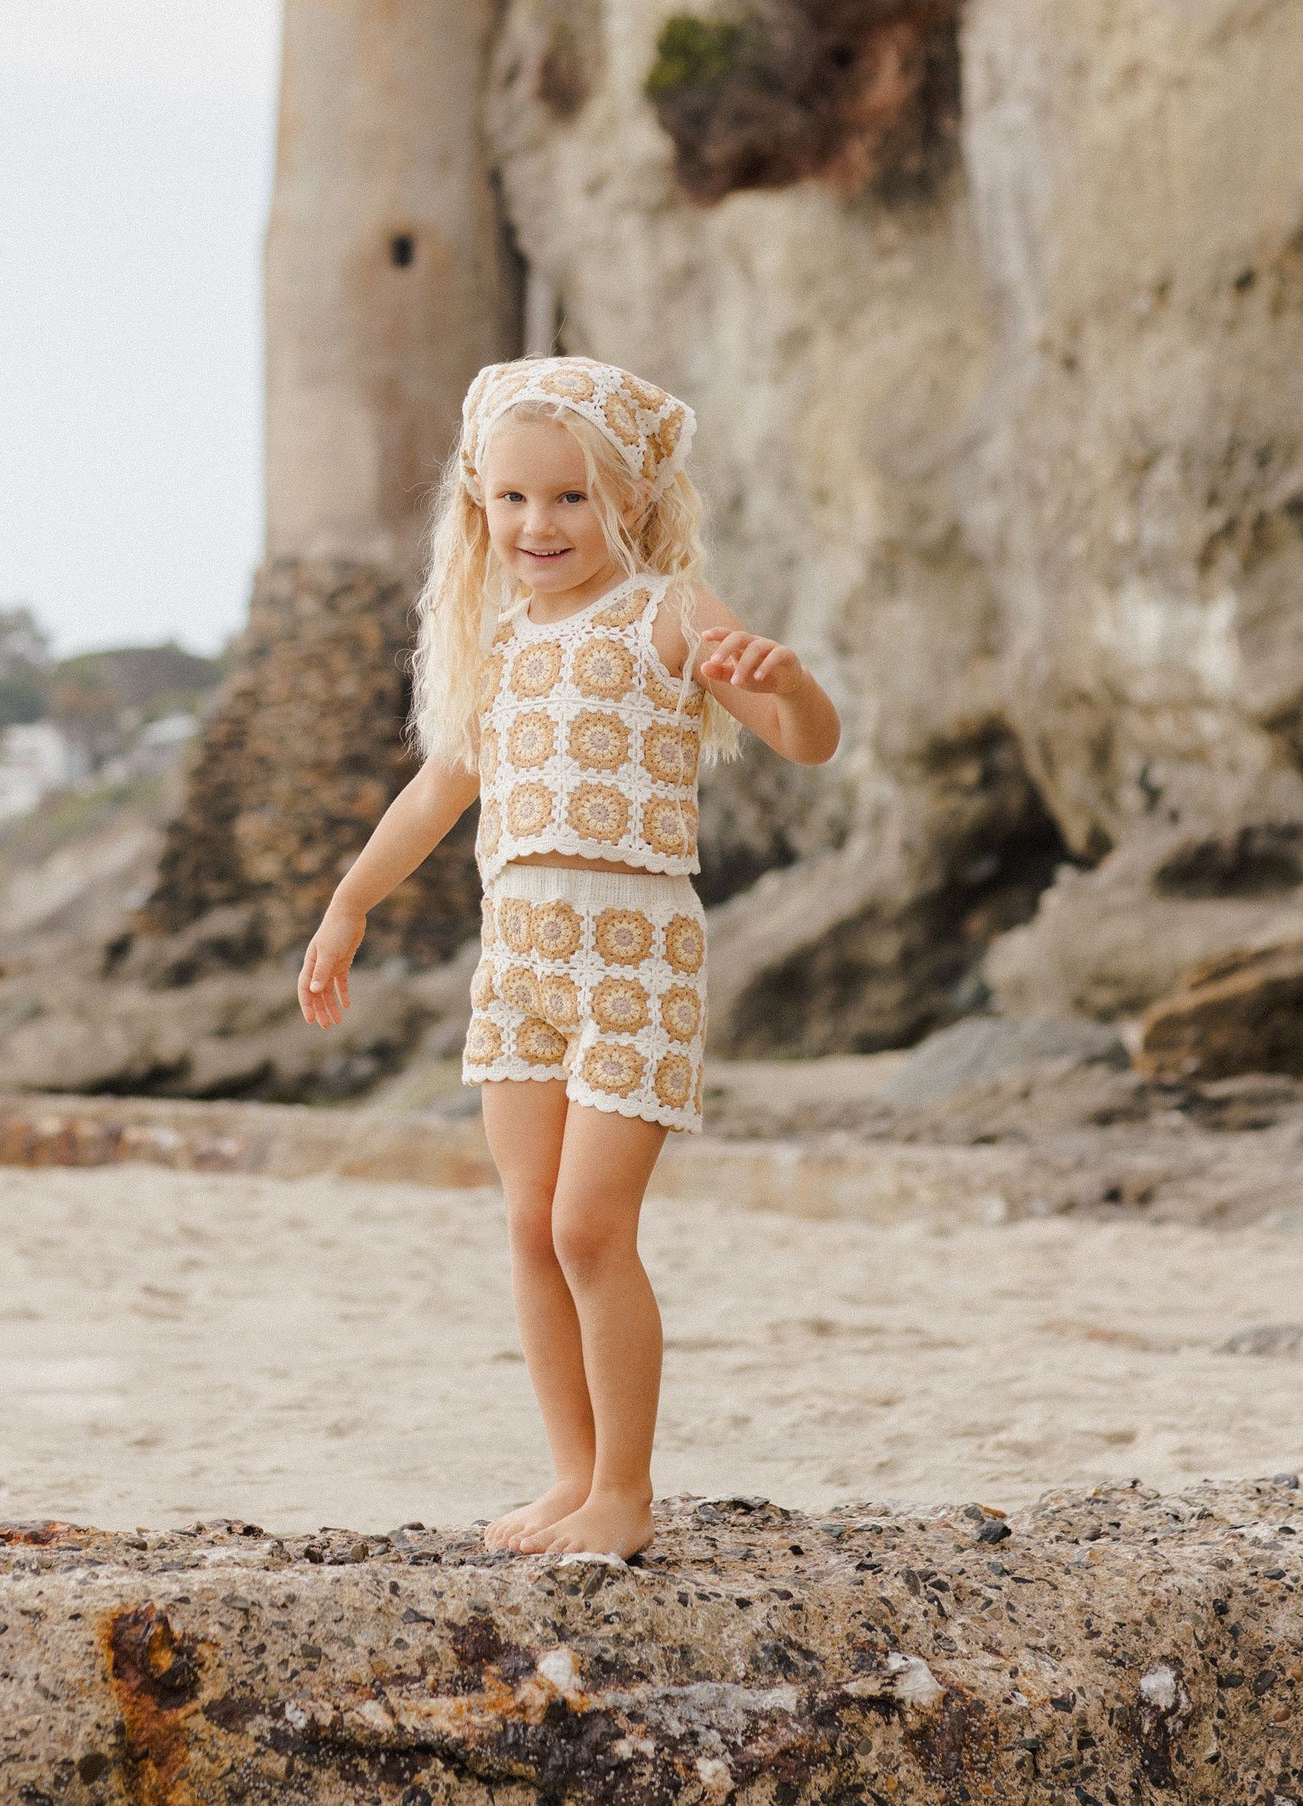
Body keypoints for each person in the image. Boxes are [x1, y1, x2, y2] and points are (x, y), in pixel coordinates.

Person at [298, 356, 840, 1559]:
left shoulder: (670, 611)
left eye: (572, 499)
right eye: (513, 500)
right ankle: (570, 1475)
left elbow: (804, 745)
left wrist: (790, 684)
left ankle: (626, 1495)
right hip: (520, 960)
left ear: (630, 502)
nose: (539, 526)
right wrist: (348, 905)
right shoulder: (492, 638)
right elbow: (438, 790)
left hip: (635, 956)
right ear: (478, 505)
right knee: (530, 1225)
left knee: (592, 1229)